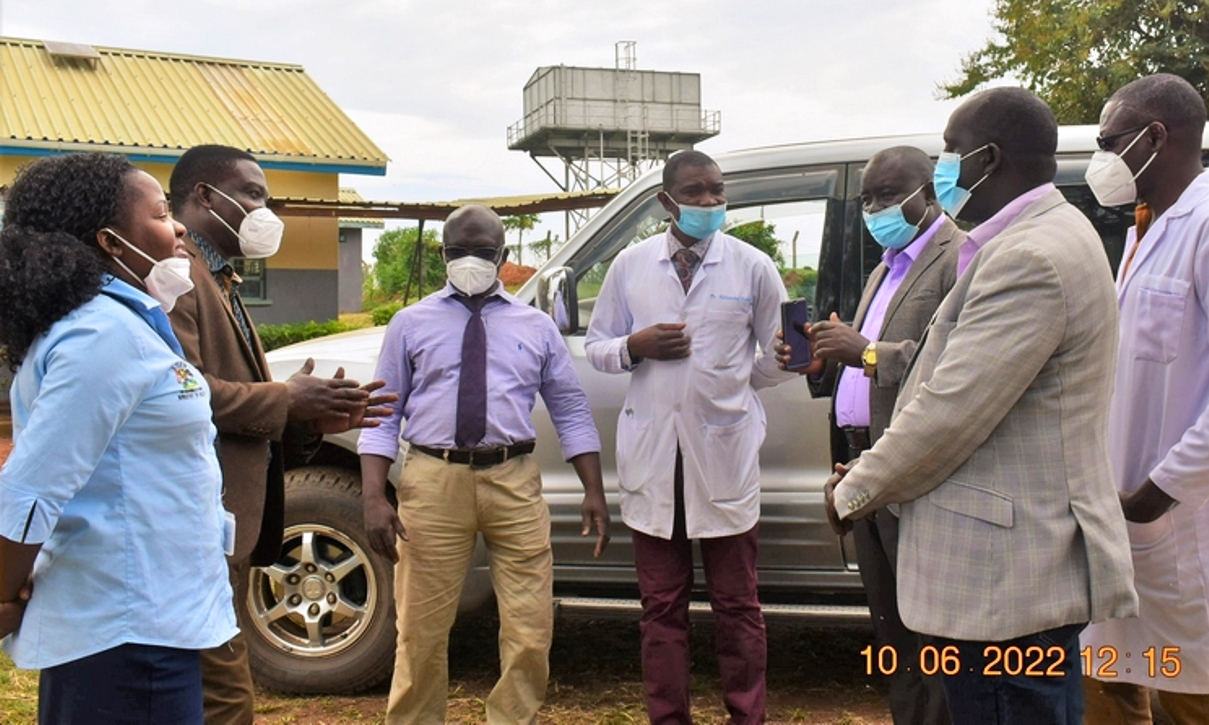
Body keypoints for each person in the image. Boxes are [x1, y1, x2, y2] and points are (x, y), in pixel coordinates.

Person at [828, 87, 1138, 724]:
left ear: (988, 158)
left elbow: (949, 411)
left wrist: (853, 492)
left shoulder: (1028, 257)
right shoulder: (1037, 236)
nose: (943, 166)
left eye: (950, 151)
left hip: (1003, 582)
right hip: (1013, 567)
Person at [0, 153, 237, 723]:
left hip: (148, 622)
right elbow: (32, 487)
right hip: (126, 638)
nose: (178, 226)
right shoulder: (103, 336)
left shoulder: (126, 324)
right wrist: (4, 594)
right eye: (160, 213)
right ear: (110, 241)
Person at [1080, 74, 1209, 725]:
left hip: (1190, 515)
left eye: (1108, 140)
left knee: (1198, 691)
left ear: (1155, 136)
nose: (1101, 157)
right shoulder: (1146, 229)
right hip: (1129, 510)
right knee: (1110, 677)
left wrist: (1159, 491)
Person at [168, 144, 391, 724]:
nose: (266, 211)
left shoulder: (221, 277)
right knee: (224, 698)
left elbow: (242, 407)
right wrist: (285, 400)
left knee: (217, 689)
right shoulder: (177, 277)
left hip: (228, 521)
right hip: (192, 515)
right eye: (254, 195)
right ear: (205, 197)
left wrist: (305, 422)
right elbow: (182, 393)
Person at [360, 204, 610, 725]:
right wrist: (373, 496)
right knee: (420, 630)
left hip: (513, 481)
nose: (469, 260)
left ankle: (512, 719)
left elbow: (570, 409)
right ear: (442, 254)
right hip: (432, 480)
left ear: (504, 256)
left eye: (482, 251)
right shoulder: (410, 324)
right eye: (458, 251)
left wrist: (594, 489)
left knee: (529, 627)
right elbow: (382, 414)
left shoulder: (536, 327)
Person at [585, 150, 793, 725]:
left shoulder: (752, 267)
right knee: (661, 609)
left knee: (738, 606)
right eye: (696, 192)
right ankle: (668, 718)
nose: (709, 202)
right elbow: (597, 346)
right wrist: (636, 346)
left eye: (716, 191)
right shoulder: (630, 267)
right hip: (655, 462)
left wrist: (734, 384)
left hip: (723, 454)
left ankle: (746, 716)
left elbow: (781, 355)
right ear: (666, 201)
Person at [780, 146, 958, 725]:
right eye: (868, 198)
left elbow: (958, 368)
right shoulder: (888, 264)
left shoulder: (961, 257)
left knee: (933, 634)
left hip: (915, 471)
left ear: (928, 192)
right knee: (892, 629)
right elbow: (867, 359)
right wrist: (829, 355)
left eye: (889, 194)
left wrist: (868, 351)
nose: (876, 207)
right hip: (864, 464)